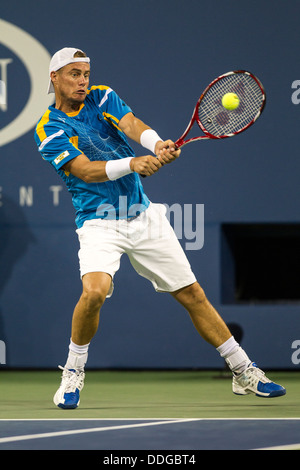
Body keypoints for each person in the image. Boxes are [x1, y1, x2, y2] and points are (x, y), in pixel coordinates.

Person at [34, 47, 285, 409]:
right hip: (98, 222)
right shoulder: (50, 126)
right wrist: (133, 163)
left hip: (143, 217)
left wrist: (156, 144)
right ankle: (73, 372)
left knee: (192, 294)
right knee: (94, 292)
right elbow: (84, 169)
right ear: (55, 77)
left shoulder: (102, 96)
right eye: (74, 74)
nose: (83, 81)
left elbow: (131, 124)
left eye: (86, 73)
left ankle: (243, 370)